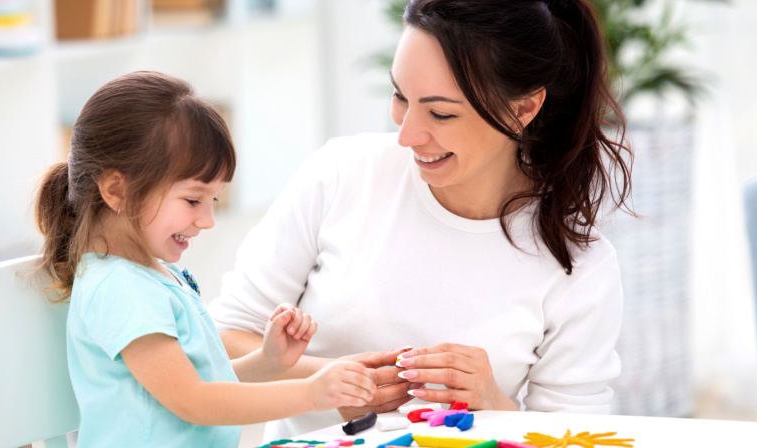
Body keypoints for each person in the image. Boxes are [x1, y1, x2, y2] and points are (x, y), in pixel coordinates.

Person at [207, 0, 634, 439]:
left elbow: (572, 434)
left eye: (441, 113)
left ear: (523, 110)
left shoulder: (579, 266)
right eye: (399, 96)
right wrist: (332, 381)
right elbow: (217, 343)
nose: (406, 134)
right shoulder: (342, 174)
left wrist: (495, 405)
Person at [33, 71, 376, 448]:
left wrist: (269, 361)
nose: (207, 220)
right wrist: (309, 394)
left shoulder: (148, 275)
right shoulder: (122, 288)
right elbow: (195, 401)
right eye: (193, 200)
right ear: (117, 190)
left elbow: (196, 383)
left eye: (213, 200)